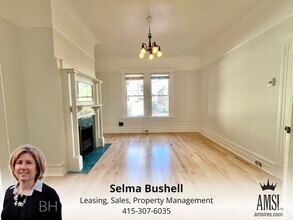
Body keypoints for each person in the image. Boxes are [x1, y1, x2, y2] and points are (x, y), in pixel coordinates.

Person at [1, 144, 62, 220]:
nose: (23, 167)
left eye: (28, 163)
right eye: (19, 162)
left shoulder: (49, 195)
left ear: (37, 168)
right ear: (14, 167)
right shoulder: (9, 192)